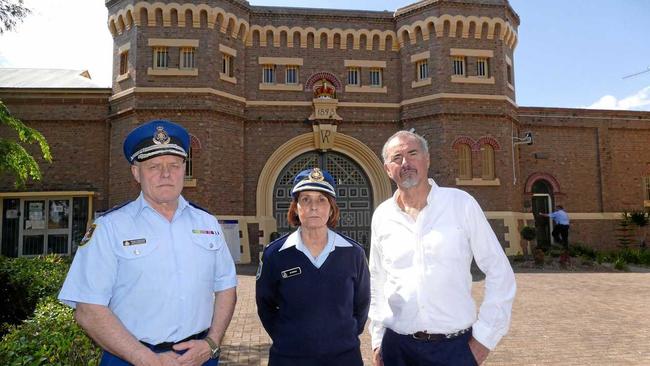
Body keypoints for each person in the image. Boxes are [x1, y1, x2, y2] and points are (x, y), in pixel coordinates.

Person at [58, 120, 237, 366]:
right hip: (130, 358)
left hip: (199, 357)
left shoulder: (208, 223)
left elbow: (227, 287)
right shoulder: (110, 228)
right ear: (136, 172)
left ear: (184, 168)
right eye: (154, 166)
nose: (166, 174)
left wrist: (212, 342)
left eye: (174, 165)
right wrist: (146, 359)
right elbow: (88, 309)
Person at [368, 131, 516, 366]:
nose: (405, 162)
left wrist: (485, 339)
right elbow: (377, 281)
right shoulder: (382, 216)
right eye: (397, 157)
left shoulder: (461, 204)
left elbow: (499, 271)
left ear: (427, 160)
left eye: (412, 153)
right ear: (387, 169)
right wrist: (377, 340)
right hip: (397, 349)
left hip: (454, 350)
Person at [256, 167, 370, 366]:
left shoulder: (353, 253)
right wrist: (290, 339)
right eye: (306, 199)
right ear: (295, 207)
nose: (313, 207)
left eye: (321, 199)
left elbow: (361, 307)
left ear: (332, 207)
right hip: (289, 359)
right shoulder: (275, 254)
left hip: (344, 358)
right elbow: (265, 306)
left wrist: (340, 338)